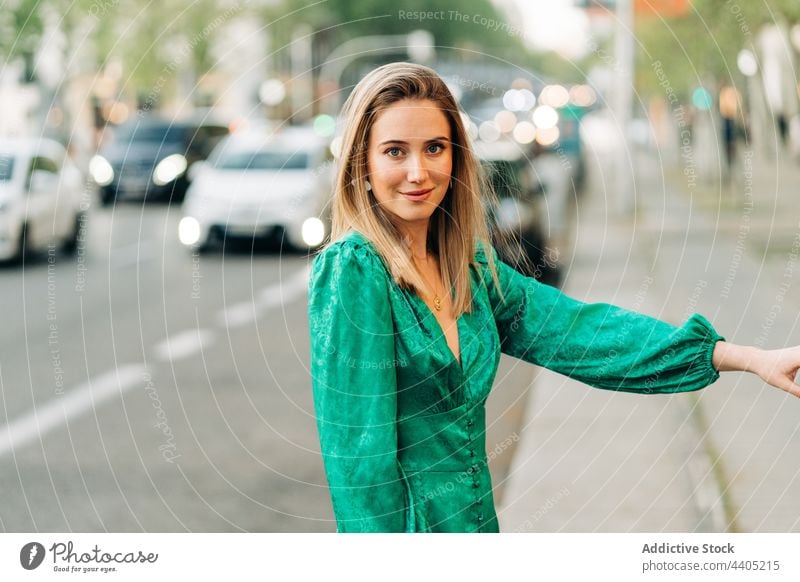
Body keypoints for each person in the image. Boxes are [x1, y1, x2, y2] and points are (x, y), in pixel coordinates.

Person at [307, 62, 800, 533]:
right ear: (362, 163)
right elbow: (360, 466)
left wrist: (749, 357)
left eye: (435, 148)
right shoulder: (355, 271)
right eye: (395, 151)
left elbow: (582, 332)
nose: (418, 172)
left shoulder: (471, 271)